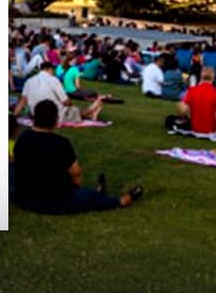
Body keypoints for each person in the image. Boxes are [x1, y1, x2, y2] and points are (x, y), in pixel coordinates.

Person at [13, 100, 142, 214]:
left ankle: (96, 194)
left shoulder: (23, 138)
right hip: (53, 201)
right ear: (55, 120)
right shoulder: (61, 143)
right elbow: (76, 173)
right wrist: (75, 189)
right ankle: (119, 201)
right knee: (87, 196)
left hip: (23, 198)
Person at [14, 61, 105, 123]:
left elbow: (22, 101)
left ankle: (91, 113)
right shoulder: (53, 80)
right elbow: (66, 101)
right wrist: (71, 105)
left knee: (72, 111)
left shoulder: (29, 81)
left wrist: (14, 116)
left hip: (36, 114)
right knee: (76, 111)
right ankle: (92, 111)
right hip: (53, 115)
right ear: (50, 69)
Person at [177, 67, 216, 135]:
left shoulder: (192, 90)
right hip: (211, 129)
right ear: (213, 77)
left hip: (195, 128)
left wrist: (185, 117)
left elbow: (183, 109)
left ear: (201, 76)